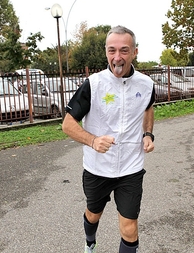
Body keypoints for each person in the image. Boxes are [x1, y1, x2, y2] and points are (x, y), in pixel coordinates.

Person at [61, 25, 155, 253]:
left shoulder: (146, 84)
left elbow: (149, 108)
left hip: (130, 167)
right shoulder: (94, 84)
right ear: (106, 52)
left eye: (124, 50)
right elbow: (67, 124)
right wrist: (93, 141)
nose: (117, 57)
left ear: (135, 52)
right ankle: (90, 241)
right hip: (97, 168)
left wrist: (148, 133)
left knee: (130, 227)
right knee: (93, 215)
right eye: (112, 50)